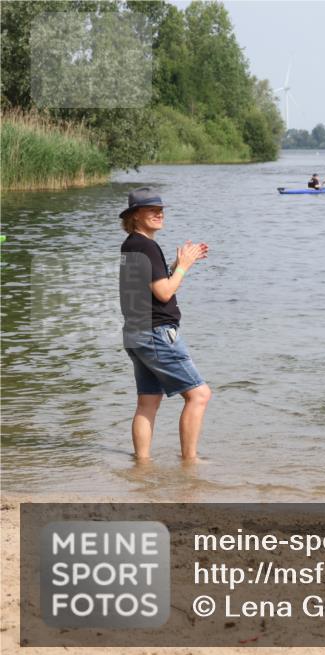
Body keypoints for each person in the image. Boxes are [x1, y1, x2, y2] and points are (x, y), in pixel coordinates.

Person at [118, 187, 211, 462]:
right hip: (156, 333)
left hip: (135, 333)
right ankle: (190, 462)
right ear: (135, 216)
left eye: (160, 209)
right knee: (199, 395)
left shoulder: (132, 244)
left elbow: (149, 286)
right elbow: (164, 293)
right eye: (151, 209)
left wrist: (173, 265)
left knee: (148, 401)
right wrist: (184, 265)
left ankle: (142, 465)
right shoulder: (146, 246)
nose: (159, 213)